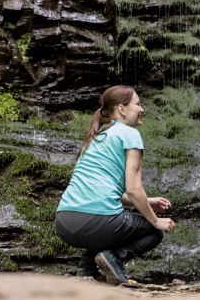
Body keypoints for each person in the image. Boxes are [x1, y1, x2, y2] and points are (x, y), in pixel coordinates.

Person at [55, 85, 175, 285]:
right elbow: (134, 188)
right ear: (122, 108)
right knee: (154, 232)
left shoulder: (96, 137)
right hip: (97, 221)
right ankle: (114, 258)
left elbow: (102, 193)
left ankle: (87, 268)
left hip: (64, 222)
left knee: (105, 222)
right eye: (137, 104)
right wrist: (155, 221)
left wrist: (147, 202)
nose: (142, 109)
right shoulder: (129, 133)